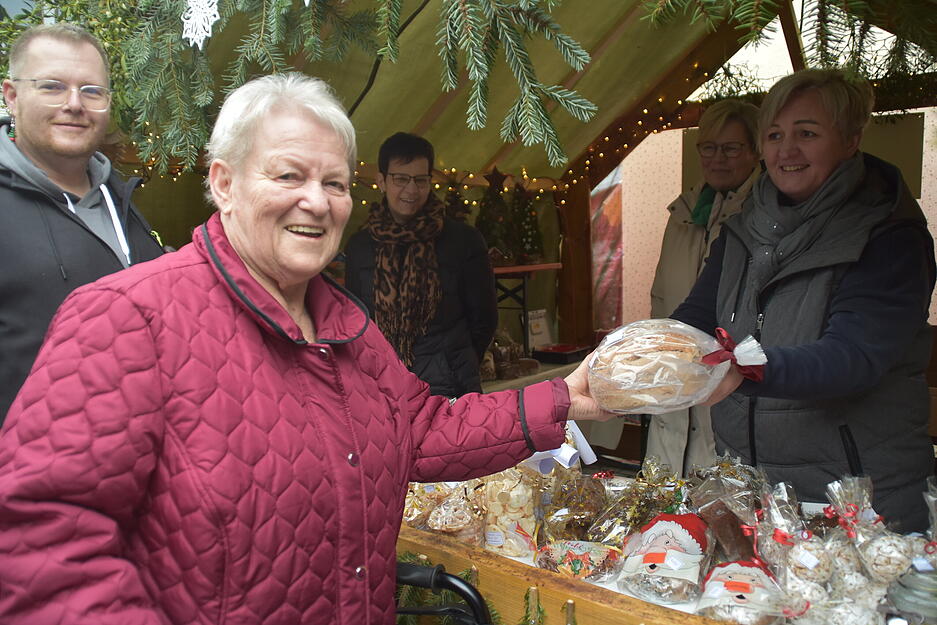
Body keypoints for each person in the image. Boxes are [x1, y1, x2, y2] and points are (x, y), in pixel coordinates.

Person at [0, 73, 612, 625]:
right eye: (288, 175)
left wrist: (566, 398)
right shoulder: (126, 318)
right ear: (224, 183)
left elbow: (420, 429)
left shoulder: (344, 322)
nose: (316, 201)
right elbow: (39, 548)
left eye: (335, 183)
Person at [674, 68, 935, 531]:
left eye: (807, 133)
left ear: (851, 139)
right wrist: (644, 349)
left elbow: (853, 358)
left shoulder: (888, 235)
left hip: (854, 494)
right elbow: (696, 316)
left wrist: (744, 368)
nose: (786, 150)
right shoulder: (743, 227)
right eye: (774, 134)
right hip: (751, 483)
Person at [0, 23, 163, 423]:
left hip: (131, 459)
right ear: (12, 96)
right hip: (27, 472)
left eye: (91, 91)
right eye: (52, 86)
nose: (75, 103)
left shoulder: (121, 199)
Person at [646, 99, 760, 476]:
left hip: (732, 380)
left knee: (720, 494)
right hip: (675, 376)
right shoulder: (682, 214)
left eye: (731, 148)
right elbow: (661, 296)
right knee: (661, 510)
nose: (717, 158)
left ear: (756, 150)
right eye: (708, 147)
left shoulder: (762, 215)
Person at [344, 132, 497, 397]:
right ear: (381, 181)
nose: (411, 190)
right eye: (401, 179)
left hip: (451, 386)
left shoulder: (463, 241)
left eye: (420, 180)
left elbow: (484, 318)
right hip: (383, 385)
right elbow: (358, 321)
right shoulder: (360, 246)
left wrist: (454, 361)